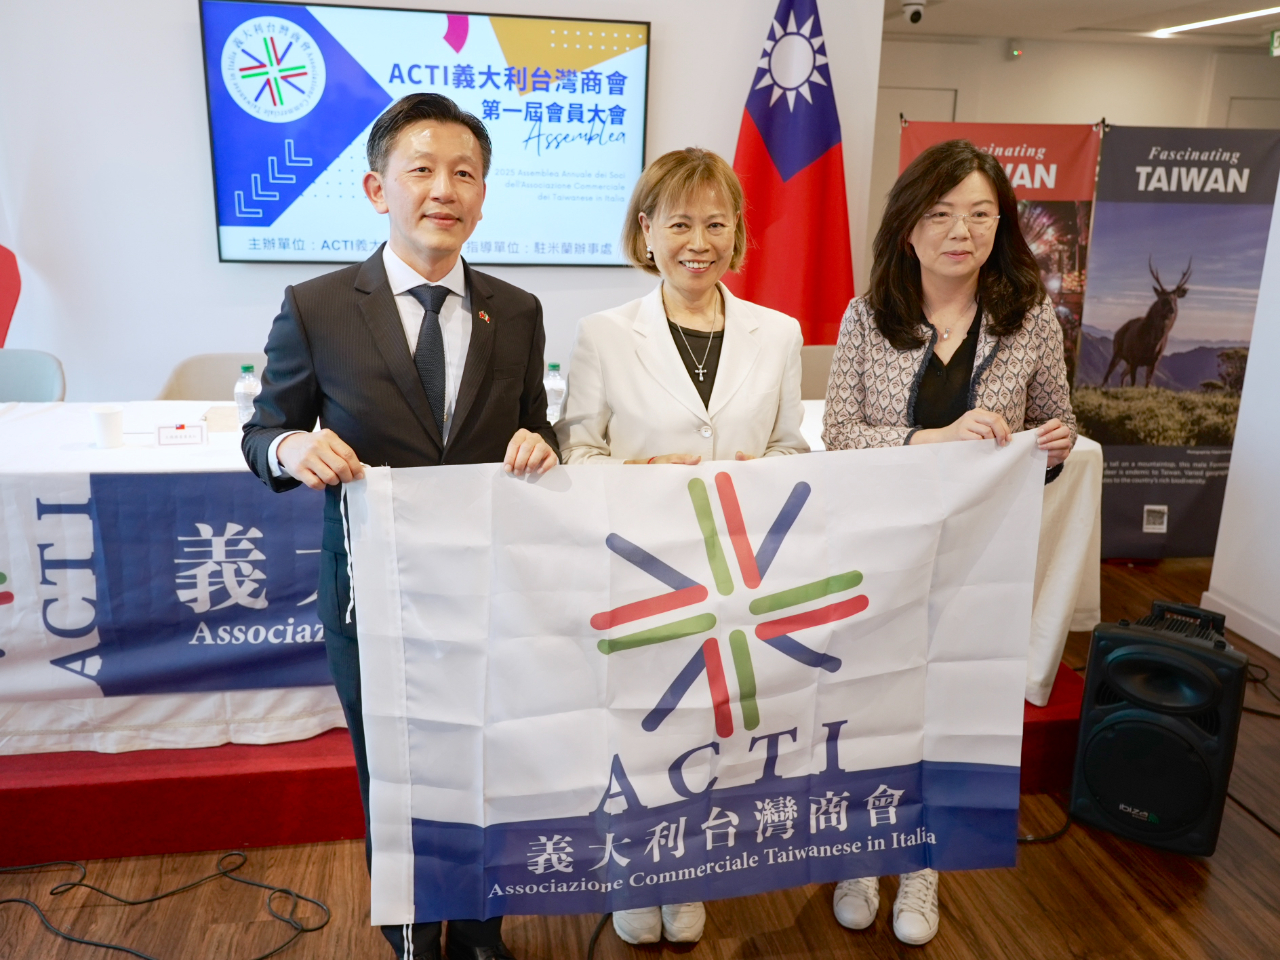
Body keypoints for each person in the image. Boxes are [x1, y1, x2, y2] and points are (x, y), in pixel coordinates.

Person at [242, 93, 557, 960]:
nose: (443, 189)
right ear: (378, 188)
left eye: (465, 173)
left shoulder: (517, 311)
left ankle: (483, 929)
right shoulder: (317, 306)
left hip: (492, 588)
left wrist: (543, 443)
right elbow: (263, 432)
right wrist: (293, 447)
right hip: (371, 593)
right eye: (422, 169)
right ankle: (412, 931)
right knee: (393, 770)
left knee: (489, 761)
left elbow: (536, 424)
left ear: (483, 197)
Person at [821, 139, 1075, 945]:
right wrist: (930, 439)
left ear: (1001, 225)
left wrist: (1054, 444)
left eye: (980, 214)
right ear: (908, 227)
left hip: (977, 558)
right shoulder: (868, 316)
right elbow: (838, 436)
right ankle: (862, 852)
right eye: (940, 213)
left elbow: (1057, 423)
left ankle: (922, 864)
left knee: (946, 710)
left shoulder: (1029, 320)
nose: (960, 231)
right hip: (879, 553)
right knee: (871, 705)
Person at [556, 147, 808, 944]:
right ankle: (637, 870)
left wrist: (756, 473)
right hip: (642, 569)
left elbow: (792, 448)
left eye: (715, 224)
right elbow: (578, 454)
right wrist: (641, 477)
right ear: (647, 230)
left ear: (736, 234)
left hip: (741, 571)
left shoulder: (778, 333)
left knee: (716, 730)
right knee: (639, 726)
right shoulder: (603, 334)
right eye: (679, 223)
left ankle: (691, 871)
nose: (698, 242)